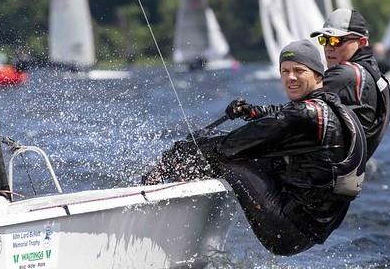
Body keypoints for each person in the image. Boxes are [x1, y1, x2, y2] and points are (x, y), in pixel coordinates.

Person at [143, 40, 367, 256]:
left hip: (288, 231)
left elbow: (229, 146)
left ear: (318, 75)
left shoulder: (303, 115)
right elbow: (284, 114)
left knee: (225, 156)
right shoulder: (334, 107)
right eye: (285, 71)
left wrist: (178, 153)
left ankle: (158, 197)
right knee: (240, 151)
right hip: (315, 228)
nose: (291, 78)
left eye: (299, 70)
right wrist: (253, 112)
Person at [311, 8, 390, 159]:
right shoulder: (373, 72)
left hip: (328, 174)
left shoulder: (345, 75)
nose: (329, 47)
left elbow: (297, 108)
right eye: (324, 40)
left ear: (361, 43)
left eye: (336, 40)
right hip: (349, 172)